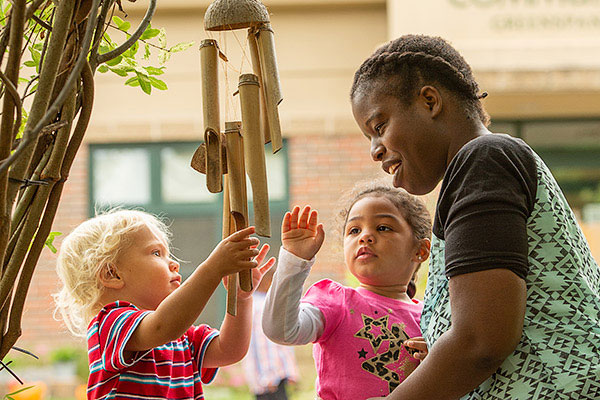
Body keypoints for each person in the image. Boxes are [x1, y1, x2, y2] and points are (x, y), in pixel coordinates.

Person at [350, 34, 600, 399]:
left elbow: (480, 342)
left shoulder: (484, 159)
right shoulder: (483, 167)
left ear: (430, 101)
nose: (375, 151)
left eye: (379, 126)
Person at [53, 209, 275, 399]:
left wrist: (241, 298)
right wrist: (212, 269)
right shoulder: (110, 324)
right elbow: (163, 326)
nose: (174, 264)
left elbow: (229, 350)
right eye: (157, 253)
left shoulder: (181, 336)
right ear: (112, 274)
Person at [262, 183, 432, 400]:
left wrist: (437, 364)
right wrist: (295, 260)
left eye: (383, 228)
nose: (365, 236)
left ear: (420, 250)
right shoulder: (336, 301)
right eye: (354, 230)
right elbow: (281, 330)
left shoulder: (432, 318)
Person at [242, 266, 299, 400]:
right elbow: (266, 344)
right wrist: (270, 376)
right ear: (268, 281)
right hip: (272, 379)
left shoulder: (251, 304)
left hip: (261, 378)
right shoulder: (263, 306)